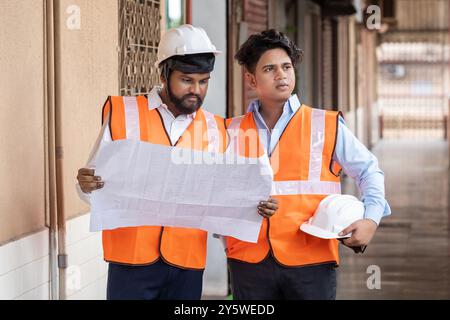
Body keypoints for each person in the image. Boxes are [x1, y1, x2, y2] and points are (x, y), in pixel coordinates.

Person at [76, 24, 278, 300]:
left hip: (187, 265)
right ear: (163, 74)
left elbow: (228, 196)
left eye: (204, 81)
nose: (196, 90)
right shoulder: (124, 114)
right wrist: (86, 185)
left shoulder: (216, 129)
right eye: (186, 80)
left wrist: (257, 204)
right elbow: (92, 186)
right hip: (130, 263)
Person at [225, 29, 391, 300]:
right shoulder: (230, 130)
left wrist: (371, 219)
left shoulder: (324, 124)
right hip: (249, 261)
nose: (281, 75)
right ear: (251, 79)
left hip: (311, 261)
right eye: (270, 68)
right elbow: (217, 188)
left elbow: (368, 170)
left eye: (286, 67)